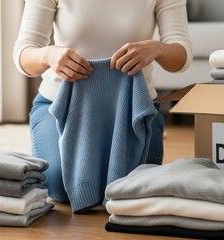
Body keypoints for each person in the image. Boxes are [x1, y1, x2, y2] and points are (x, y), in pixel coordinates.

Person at [13, 0, 193, 212]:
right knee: (62, 188)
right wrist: (48, 55)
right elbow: (23, 53)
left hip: (133, 108)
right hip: (59, 104)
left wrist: (158, 49)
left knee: (133, 187)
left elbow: (182, 55)